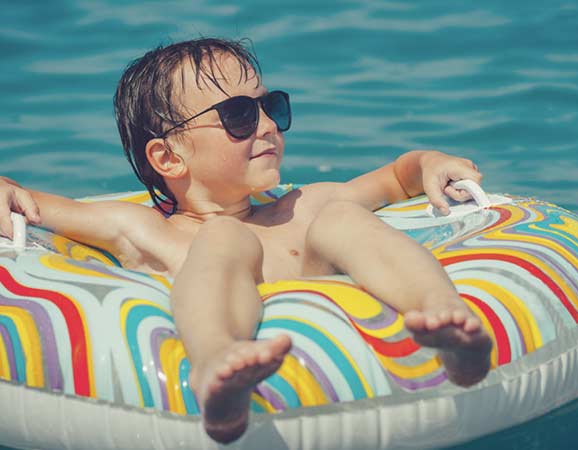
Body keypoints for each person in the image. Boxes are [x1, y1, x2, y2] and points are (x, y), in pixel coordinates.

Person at [0, 37, 492, 444]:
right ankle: (216, 364)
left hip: (339, 262)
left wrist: (427, 162)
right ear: (168, 158)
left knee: (342, 214)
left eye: (271, 105)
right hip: (220, 299)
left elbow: (395, 178)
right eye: (239, 116)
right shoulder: (147, 229)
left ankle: (445, 318)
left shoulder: (304, 207)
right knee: (224, 236)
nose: (268, 125)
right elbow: (34, 205)